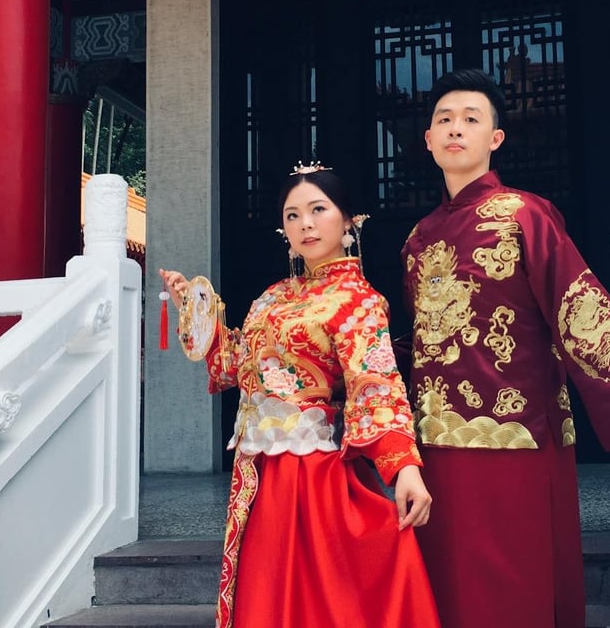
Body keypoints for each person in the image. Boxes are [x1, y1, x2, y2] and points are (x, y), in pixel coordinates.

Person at [401, 68, 610, 628]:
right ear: (428, 139)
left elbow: (574, 300)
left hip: (518, 430)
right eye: (444, 120)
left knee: (514, 585)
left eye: (471, 120)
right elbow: (425, 341)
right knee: (447, 583)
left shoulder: (524, 214)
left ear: (494, 139)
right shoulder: (417, 238)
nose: (456, 130)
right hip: (436, 439)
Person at [160, 165, 441, 628]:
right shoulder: (271, 298)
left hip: (310, 473)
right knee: (268, 593)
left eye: (318, 210)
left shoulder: (358, 300)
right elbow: (234, 366)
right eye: (292, 216)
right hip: (259, 472)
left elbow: (377, 384)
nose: (305, 224)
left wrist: (404, 469)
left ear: (348, 221)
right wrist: (194, 308)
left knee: (316, 599)